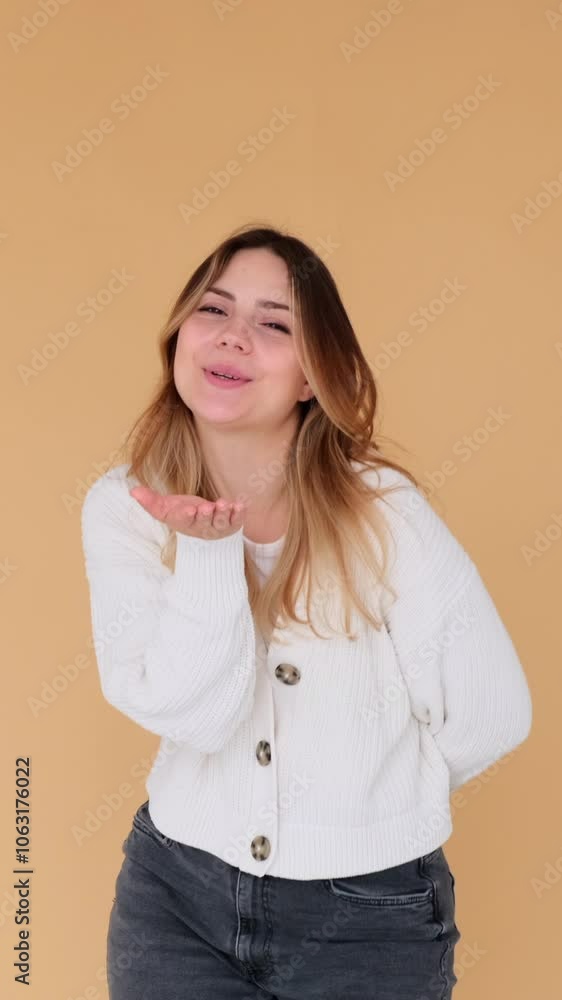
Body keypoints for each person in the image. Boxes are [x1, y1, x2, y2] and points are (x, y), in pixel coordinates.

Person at [80, 222, 532, 999]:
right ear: (179, 337)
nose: (233, 337)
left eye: (275, 325)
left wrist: (366, 808)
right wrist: (209, 551)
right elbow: (191, 715)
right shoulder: (125, 507)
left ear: (313, 377)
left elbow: (492, 713)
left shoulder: (384, 514)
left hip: (370, 919)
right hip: (176, 903)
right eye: (213, 310)